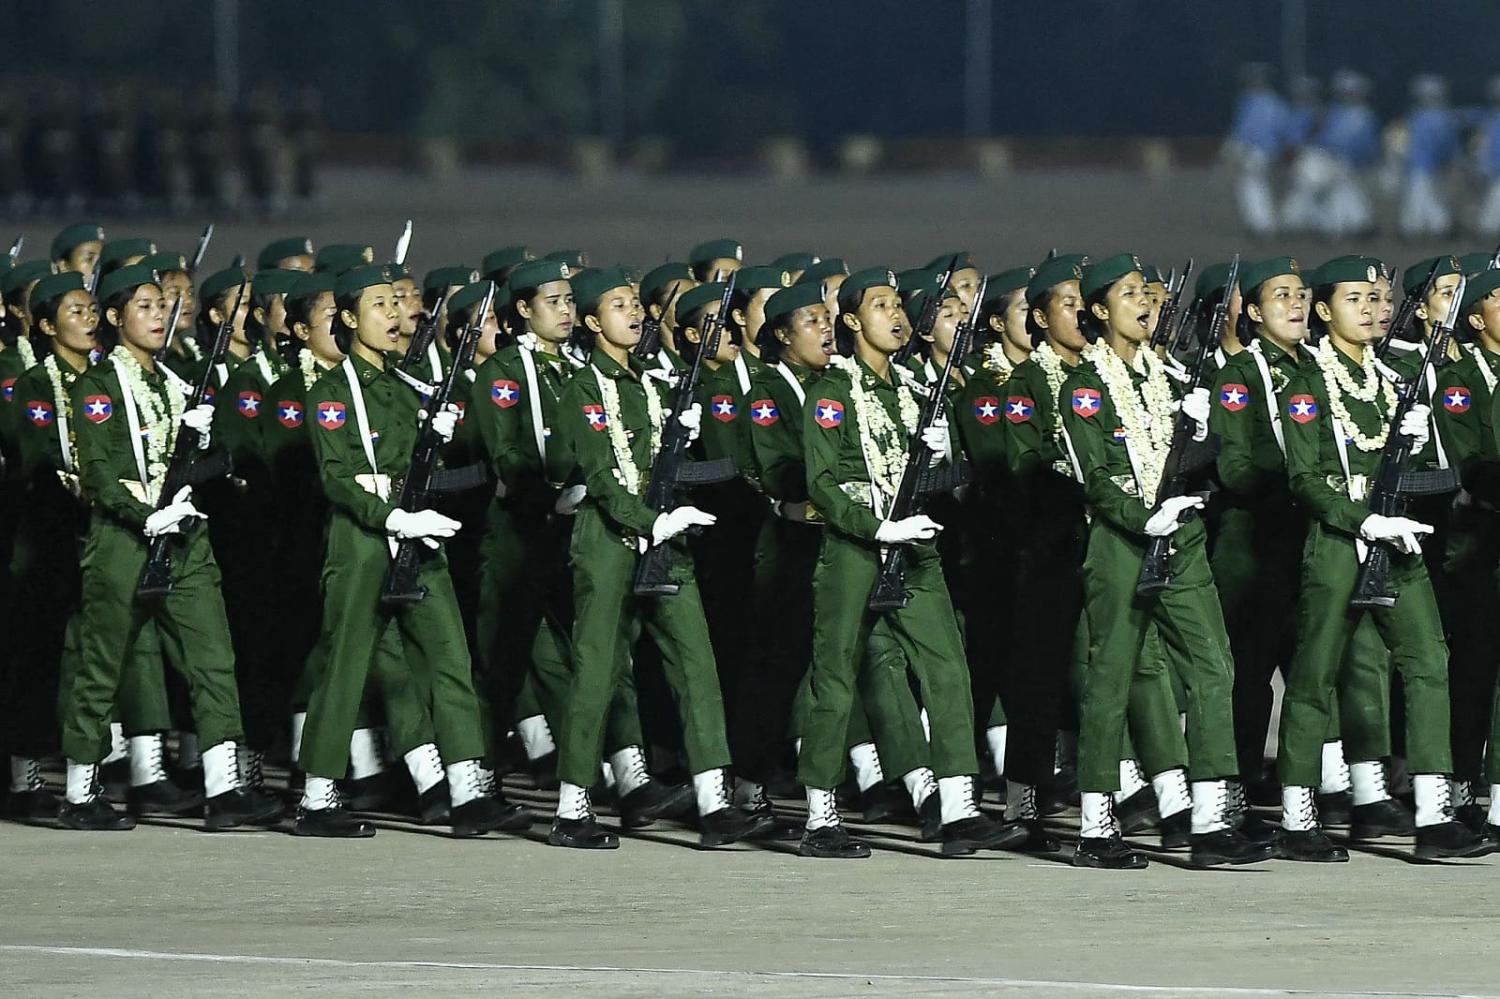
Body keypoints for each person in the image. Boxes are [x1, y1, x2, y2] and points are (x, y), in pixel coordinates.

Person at [797, 267, 1024, 859]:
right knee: (837, 679)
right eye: (879, 306)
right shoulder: (831, 392)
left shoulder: (913, 393)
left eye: (898, 305)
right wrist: (878, 527)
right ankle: (821, 815)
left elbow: (936, 480)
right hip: (854, 553)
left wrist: (943, 463)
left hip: (916, 552)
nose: (896, 316)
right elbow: (823, 484)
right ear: (851, 321)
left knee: (949, 670)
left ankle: (957, 809)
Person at [296, 265, 528, 839]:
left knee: (450, 660)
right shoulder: (332, 392)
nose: (396, 316)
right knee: (347, 666)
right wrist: (391, 517)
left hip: (419, 536)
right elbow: (338, 477)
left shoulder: (407, 385)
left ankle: (468, 788)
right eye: (379, 306)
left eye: (396, 304)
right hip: (364, 541)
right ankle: (318, 795)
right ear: (349, 319)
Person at [1059, 253, 1271, 869]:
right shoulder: (1085, 387)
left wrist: (1203, 437)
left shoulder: (1175, 380)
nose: (1145, 303)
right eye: (1129, 294)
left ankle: (1209, 819)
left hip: (1183, 539)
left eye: (1147, 294)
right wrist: (1138, 516)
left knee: (1213, 667)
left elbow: (1210, 461)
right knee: (1112, 676)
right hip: (1122, 543)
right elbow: (1095, 474)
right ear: (1100, 311)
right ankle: (1098, 825)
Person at [1276, 257, 1491, 860]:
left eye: (1377, 297)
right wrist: (1362, 518)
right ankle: (1297, 817)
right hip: (1342, 543)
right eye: (1354, 299)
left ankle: (1432, 812)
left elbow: (1418, 469)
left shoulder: (1395, 378)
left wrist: (1420, 452)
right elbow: (1305, 478)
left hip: (1398, 540)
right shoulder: (1308, 383)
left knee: (1428, 662)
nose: (1371, 309)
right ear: (1324, 311)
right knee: (1316, 673)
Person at [550, 266, 768, 850]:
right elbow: (599, 475)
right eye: (620, 305)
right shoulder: (582, 389)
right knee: (597, 674)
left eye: (635, 304)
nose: (635, 312)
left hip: (667, 545)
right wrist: (654, 521)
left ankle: (714, 801)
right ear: (593, 323)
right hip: (609, 542)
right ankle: (573, 806)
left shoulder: (653, 383)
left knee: (696, 666)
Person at [63, 263, 281, 832]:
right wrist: (146, 515)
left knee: (214, 661)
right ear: (114, 318)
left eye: (162, 305)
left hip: (186, 538)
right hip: (123, 541)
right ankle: (81, 791)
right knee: (103, 667)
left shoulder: (173, 382)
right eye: (144, 306)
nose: (159, 315)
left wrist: (206, 441)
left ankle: (224, 788)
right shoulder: (98, 386)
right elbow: (102, 474)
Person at [1224, 63, 1288, 238]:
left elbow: (1247, 130)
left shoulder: (1263, 102)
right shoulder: (1257, 101)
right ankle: (1264, 225)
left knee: (1252, 186)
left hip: (1257, 152)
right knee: (1256, 186)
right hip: (1259, 151)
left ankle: (1262, 226)